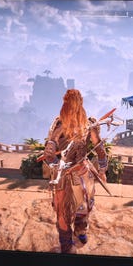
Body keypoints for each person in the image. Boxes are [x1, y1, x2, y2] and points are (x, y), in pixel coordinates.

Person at [42, 89, 108, 253]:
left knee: (84, 205)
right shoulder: (59, 126)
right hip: (65, 174)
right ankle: (67, 245)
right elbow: (50, 152)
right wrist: (57, 163)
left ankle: (80, 230)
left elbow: (99, 149)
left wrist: (102, 170)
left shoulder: (88, 124)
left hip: (81, 171)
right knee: (64, 212)